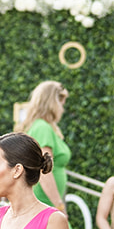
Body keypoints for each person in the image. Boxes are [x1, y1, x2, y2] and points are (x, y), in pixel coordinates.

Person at [17, 81, 71, 211]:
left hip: (47, 199)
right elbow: (45, 171)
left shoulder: (43, 127)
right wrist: (58, 205)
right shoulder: (42, 128)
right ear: (52, 103)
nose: (62, 110)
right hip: (45, 200)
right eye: (61, 105)